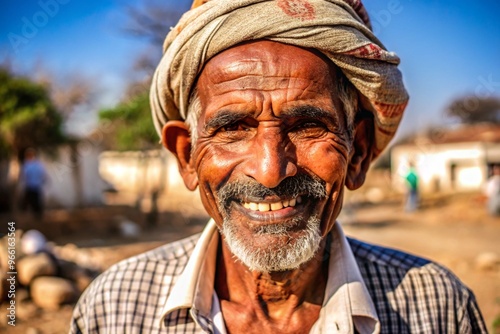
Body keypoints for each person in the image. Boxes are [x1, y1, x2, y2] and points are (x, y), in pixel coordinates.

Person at [71, 0, 486, 333]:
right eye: (233, 127)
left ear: (357, 153)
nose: (271, 171)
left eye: (308, 126)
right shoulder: (113, 308)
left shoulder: (439, 309)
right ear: (187, 156)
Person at [20, 148, 47, 219]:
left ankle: (37, 215)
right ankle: (36, 215)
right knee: (34, 200)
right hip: (33, 185)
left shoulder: (28, 164)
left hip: (33, 185)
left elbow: (25, 175)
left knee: (35, 200)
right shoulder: (35, 164)